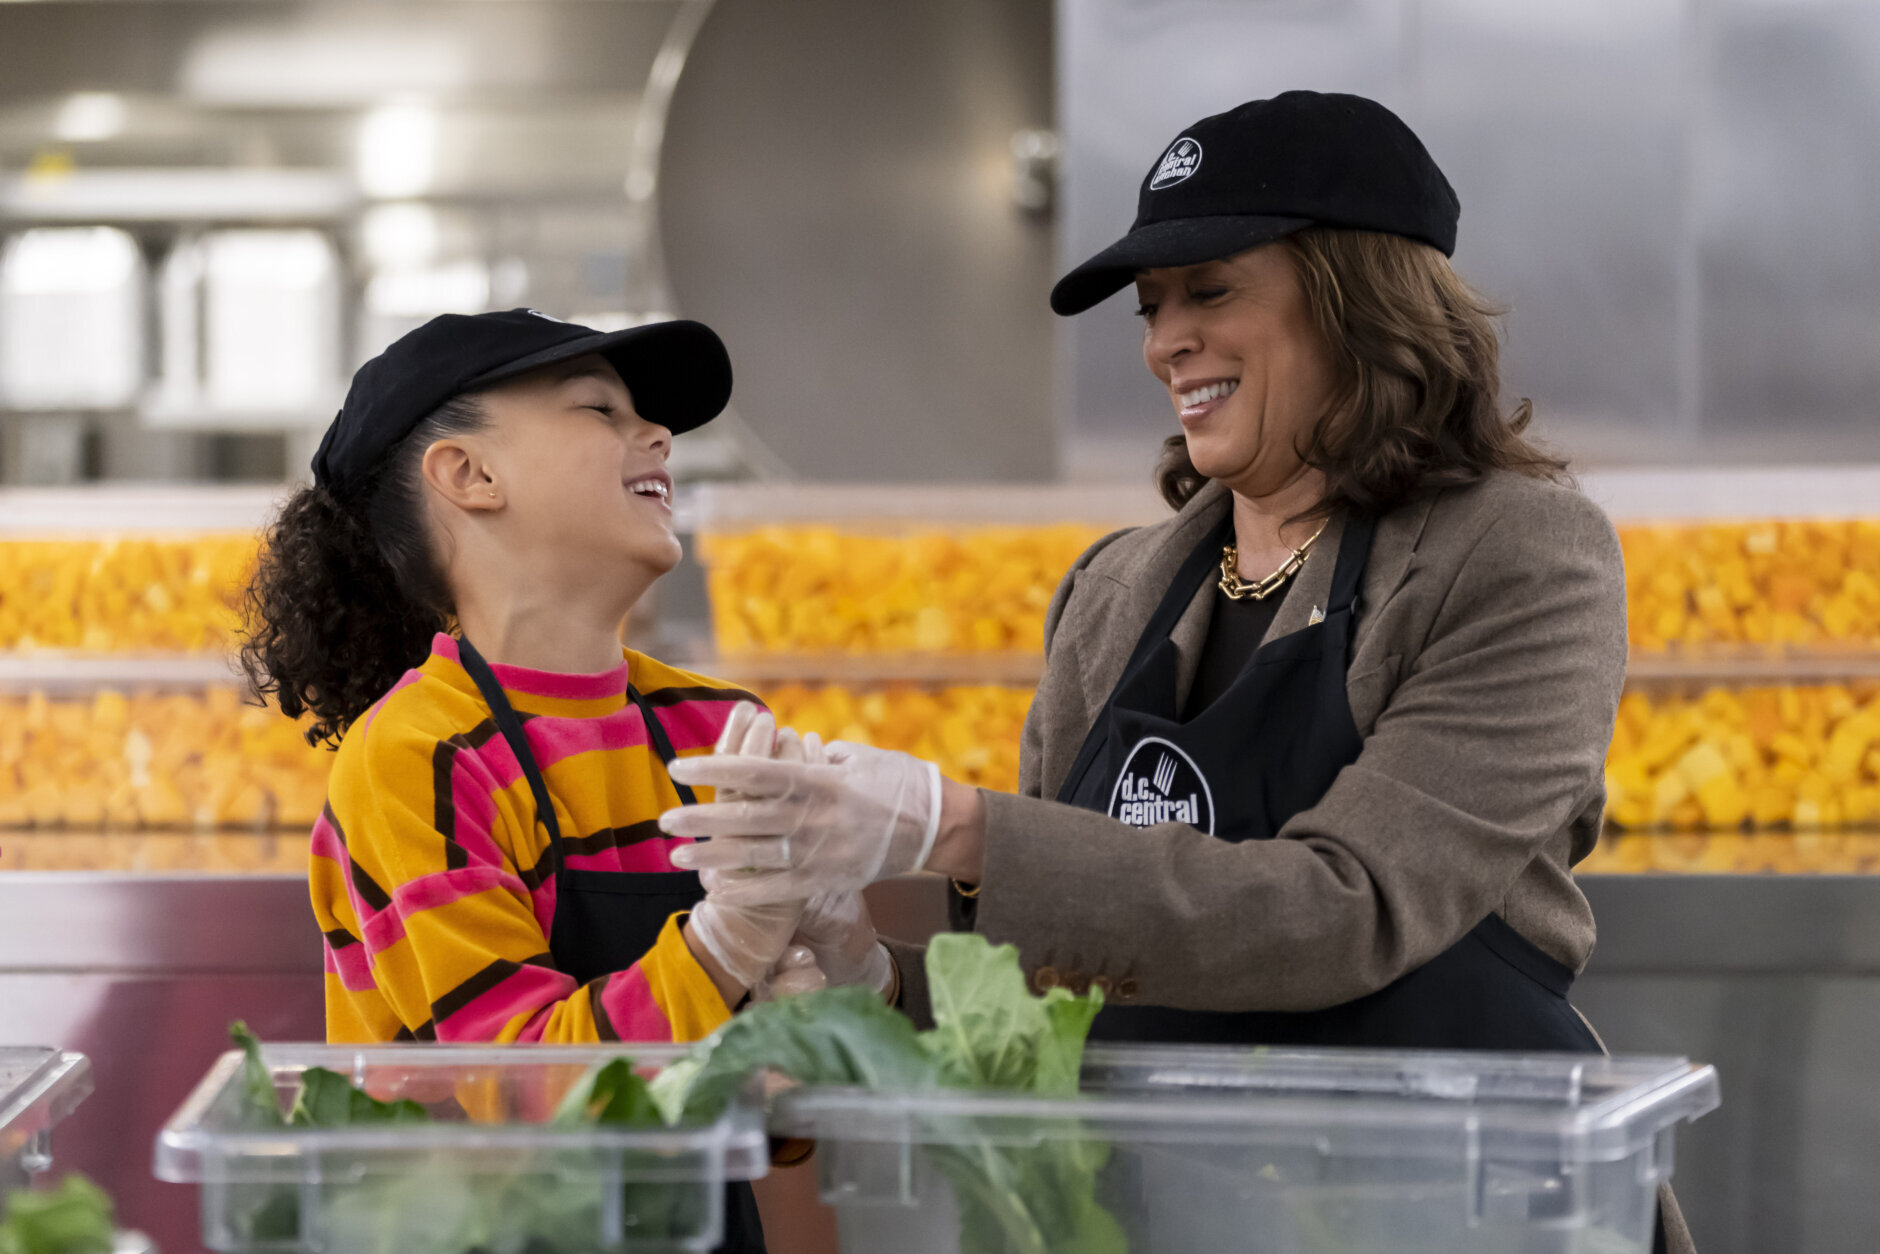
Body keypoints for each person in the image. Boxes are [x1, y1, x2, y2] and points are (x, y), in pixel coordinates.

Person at [658, 92, 1694, 1252]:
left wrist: (950, 826)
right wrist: (878, 973)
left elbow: (1341, 912)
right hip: (1172, 1211)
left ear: (1357, 297)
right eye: (1151, 310)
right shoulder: (1116, 590)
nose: (1162, 344)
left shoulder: (1514, 553)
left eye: (1209, 291)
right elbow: (1060, 984)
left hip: (1454, 1203)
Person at [240, 308, 823, 1253]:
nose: (657, 435)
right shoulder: (422, 759)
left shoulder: (716, 731)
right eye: (599, 409)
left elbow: (779, 1131)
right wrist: (721, 950)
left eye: (647, 418)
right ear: (470, 477)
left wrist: (824, 1014)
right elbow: (523, 1098)